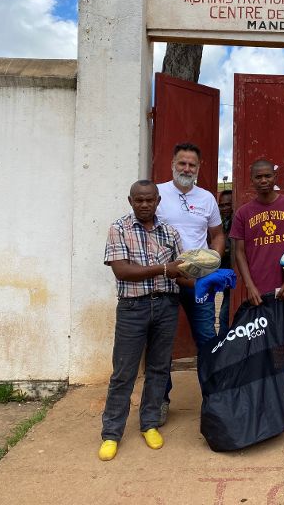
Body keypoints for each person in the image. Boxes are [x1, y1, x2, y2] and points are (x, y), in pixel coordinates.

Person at [99, 180, 185, 461]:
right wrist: (164, 269)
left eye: (149, 200)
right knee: (123, 372)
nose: (145, 204)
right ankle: (111, 433)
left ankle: (149, 423)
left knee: (159, 369)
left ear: (158, 200)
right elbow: (122, 271)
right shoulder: (119, 228)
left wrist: (202, 276)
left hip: (166, 306)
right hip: (132, 308)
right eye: (139, 200)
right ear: (130, 200)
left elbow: (181, 271)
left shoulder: (170, 233)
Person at [230, 160, 284, 432]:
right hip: (259, 295)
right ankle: (270, 401)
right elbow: (239, 252)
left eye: (268, 176)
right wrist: (250, 286)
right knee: (264, 351)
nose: (264, 180)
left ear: (274, 176)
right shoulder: (244, 213)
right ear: (252, 179)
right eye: (259, 177)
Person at [156, 142, 225, 424]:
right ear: (172, 164)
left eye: (192, 165)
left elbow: (218, 235)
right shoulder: (157, 193)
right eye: (182, 163)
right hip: (164, 280)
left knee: (207, 338)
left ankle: (213, 399)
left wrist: (212, 262)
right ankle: (159, 400)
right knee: (162, 342)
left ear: (199, 168)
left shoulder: (207, 198)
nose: (186, 169)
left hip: (197, 283)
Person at [217, 189, 233, 331]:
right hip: (226, 276)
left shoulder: (237, 223)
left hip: (238, 275)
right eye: (221, 205)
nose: (225, 208)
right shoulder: (222, 224)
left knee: (224, 315)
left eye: (229, 204)